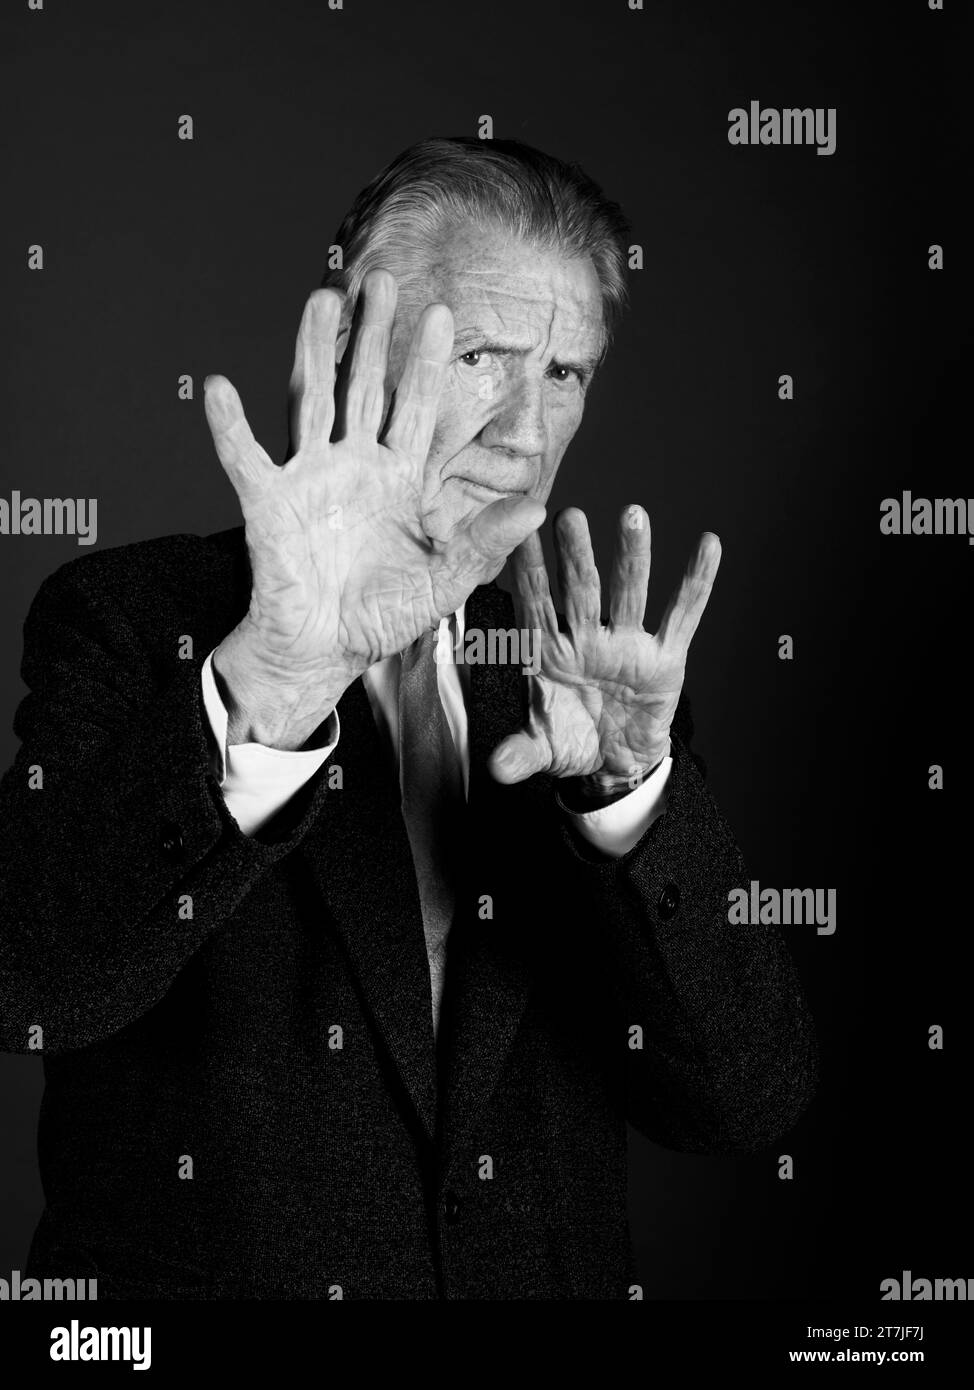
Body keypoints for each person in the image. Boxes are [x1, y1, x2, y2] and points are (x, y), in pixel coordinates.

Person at [0, 137, 816, 1299]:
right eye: (482, 354)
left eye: (566, 373)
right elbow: (28, 986)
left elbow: (746, 1099)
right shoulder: (132, 618)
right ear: (345, 343)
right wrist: (276, 682)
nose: (527, 435)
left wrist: (629, 798)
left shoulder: (577, 670)